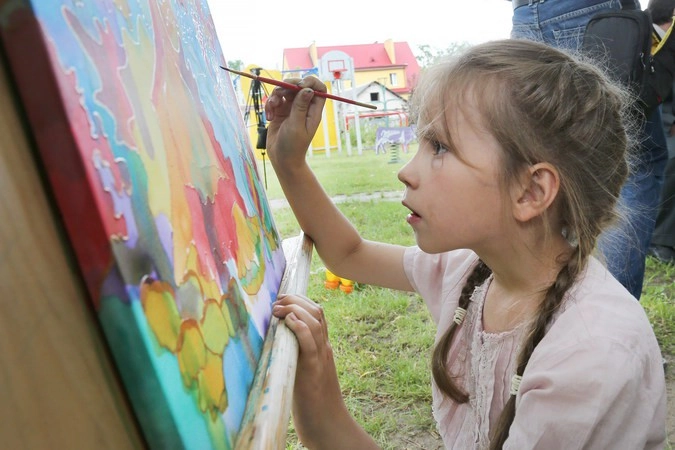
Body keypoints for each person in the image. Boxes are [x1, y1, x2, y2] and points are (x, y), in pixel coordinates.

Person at [264, 39, 667, 449]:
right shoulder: (473, 271)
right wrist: (288, 162)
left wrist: (325, 414)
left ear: (531, 191)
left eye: (439, 147)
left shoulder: (589, 355)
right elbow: (351, 255)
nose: (406, 172)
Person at [511, 0, 670, 300]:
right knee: (634, 168)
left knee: (544, 164)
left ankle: (539, 306)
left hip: (525, 19)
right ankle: (607, 309)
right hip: (595, 14)